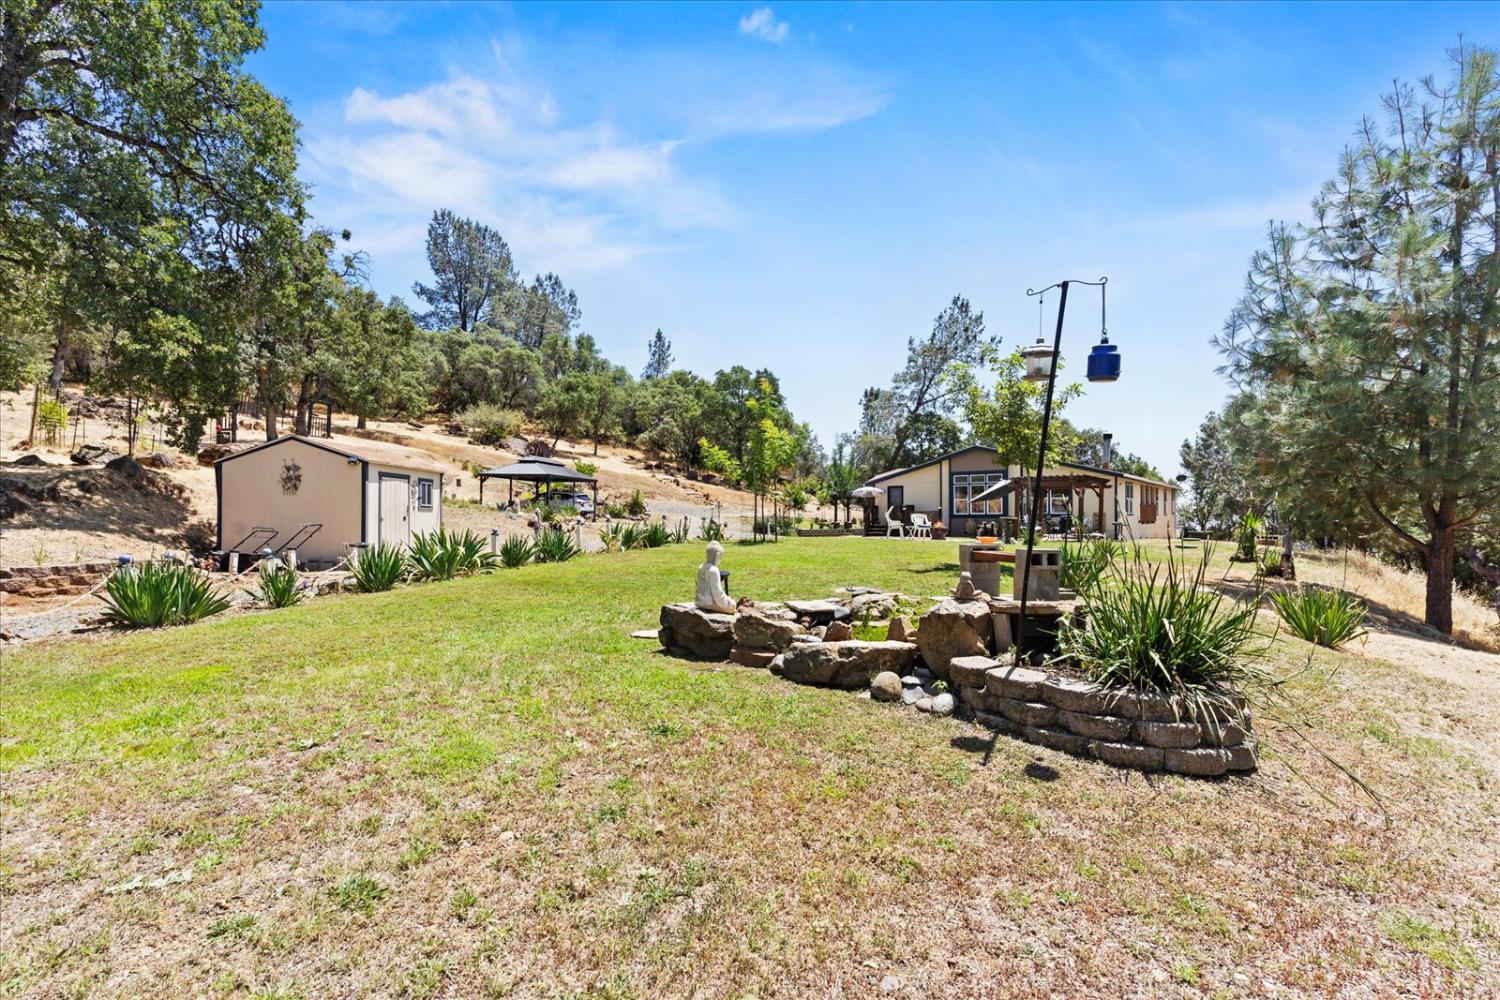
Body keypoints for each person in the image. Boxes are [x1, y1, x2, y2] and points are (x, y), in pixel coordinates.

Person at [695, 541, 737, 614]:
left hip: (699, 601)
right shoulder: (713, 570)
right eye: (721, 557)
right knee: (733, 605)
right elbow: (717, 593)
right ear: (718, 556)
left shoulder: (701, 567)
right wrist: (729, 603)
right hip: (710, 603)